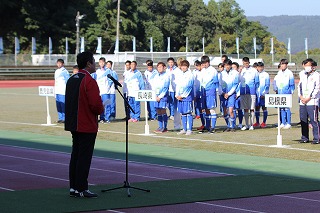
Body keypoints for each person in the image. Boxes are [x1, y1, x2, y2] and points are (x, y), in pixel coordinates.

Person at [65, 51, 104, 198]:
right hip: (86, 123)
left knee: (75, 155)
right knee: (84, 157)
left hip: (74, 123)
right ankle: (82, 187)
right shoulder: (89, 81)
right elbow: (95, 105)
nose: (94, 63)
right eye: (93, 61)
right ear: (88, 63)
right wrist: (101, 108)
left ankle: (74, 187)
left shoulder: (72, 79)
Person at [298, 58, 320, 144]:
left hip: (312, 101)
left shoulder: (317, 75)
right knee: (303, 119)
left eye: (308, 65)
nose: (306, 67)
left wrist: (310, 97)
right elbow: (299, 86)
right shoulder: (302, 74)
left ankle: (317, 138)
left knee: (314, 120)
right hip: (302, 101)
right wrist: (301, 96)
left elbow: (317, 88)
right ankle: (304, 137)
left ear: (313, 66)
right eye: (305, 65)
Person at [198, 55, 220, 134]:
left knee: (211, 109)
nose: (204, 64)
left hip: (211, 91)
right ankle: (207, 126)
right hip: (204, 92)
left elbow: (215, 82)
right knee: (206, 109)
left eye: (205, 63)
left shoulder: (213, 70)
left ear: (208, 62)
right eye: (203, 63)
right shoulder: (203, 70)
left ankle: (212, 127)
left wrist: (215, 91)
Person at [273, 59, 295, 129]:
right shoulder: (279, 73)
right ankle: (283, 122)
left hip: (287, 93)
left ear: (286, 65)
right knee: (281, 108)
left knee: (287, 108)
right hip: (280, 93)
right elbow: (277, 82)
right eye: (281, 64)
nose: (282, 66)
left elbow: (292, 83)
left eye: (283, 64)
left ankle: (288, 123)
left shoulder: (289, 73)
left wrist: (291, 91)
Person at [238, 57, 259, 131]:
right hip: (243, 92)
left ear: (249, 62)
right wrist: (239, 72)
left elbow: (257, 82)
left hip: (252, 92)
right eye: (244, 63)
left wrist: (255, 90)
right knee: (245, 108)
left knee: (252, 108)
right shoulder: (241, 71)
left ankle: (252, 124)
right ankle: (246, 124)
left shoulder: (254, 70)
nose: (245, 65)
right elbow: (238, 80)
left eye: (247, 63)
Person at [176, 60, 194, 135]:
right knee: (183, 113)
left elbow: (189, 87)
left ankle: (189, 129)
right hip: (180, 97)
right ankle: (184, 128)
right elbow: (178, 85)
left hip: (187, 97)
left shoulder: (190, 75)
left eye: (185, 66)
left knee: (188, 112)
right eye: (182, 66)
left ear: (187, 66)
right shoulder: (180, 74)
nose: (183, 67)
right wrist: (177, 95)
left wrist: (182, 95)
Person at [220, 59, 239, 132]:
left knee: (231, 110)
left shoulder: (235, 73)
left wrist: (229, 93)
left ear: (231, 65)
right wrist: (223, 93)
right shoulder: (221, 73)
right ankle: (228, 125)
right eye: (225, 65)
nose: (227, 67)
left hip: (231, 94)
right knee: (225, 111)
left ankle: (233, 126)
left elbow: (235, 84)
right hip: (223, 94)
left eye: (228, 65)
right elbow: (219, 84)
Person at [153, 62, 170, 133]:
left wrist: (160, 96)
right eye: (158, 67)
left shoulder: (166, 76)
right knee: (158, 111)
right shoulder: (156, 76)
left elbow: (166, 88)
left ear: (164, 67)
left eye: (161, 67)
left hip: (163, 96)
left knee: (163, 110)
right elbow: (154, 86)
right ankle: (160, 126)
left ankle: (164, 127)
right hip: (156, 96)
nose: (159, 69)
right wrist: (155, 95)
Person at [253, 62, 270, 128]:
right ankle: (257, 122)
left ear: (263, 67)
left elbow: (267, 85)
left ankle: (264, 122)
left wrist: (264, 93)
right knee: (257, 108)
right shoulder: (255, 74)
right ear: (256, 67)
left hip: (263, 94)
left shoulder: (266, 74)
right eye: (258, 67)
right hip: (256, 94)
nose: (260, 68)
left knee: (264, 107)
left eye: (261, 67)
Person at [54, 58, 70, 123]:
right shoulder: (56, 71)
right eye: (58, 63)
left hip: (63, 91)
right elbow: (55, 81)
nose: (59, 64)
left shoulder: (65, 71)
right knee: (58, 105)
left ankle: (65, 118)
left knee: (63, 105)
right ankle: (60, 117)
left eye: (60, 63)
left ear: (63, 64)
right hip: (57, 90)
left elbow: (68, 81)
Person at [232, 62, 243, 128]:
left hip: (238, 95)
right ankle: (233, 123)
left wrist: (238, 94)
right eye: (232, 67)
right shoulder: (231, 76)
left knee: (239, 109)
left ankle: (240, 123)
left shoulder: (240, 76)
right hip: (232, 94)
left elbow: (241, 85)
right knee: (232, 110)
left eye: (234, 67)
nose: (233, 69)